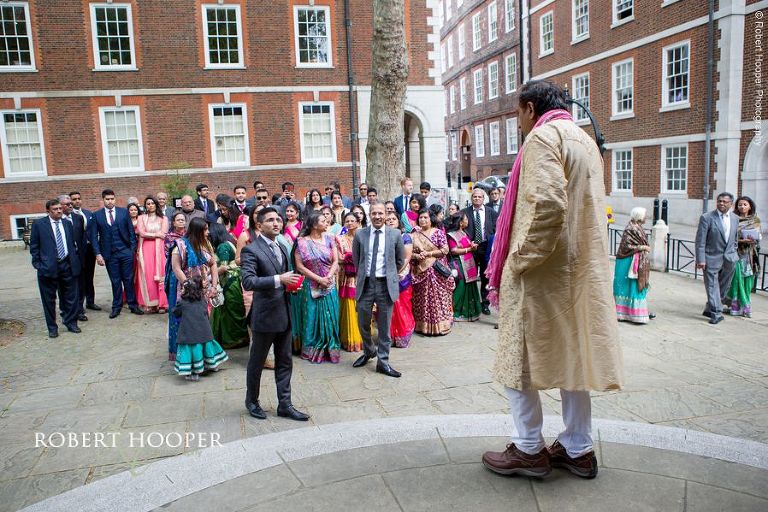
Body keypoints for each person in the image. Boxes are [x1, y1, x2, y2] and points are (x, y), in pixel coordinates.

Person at [482, 80, 622, 479]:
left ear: (529, 108)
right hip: (578, 272)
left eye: (517, 114)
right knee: (572, 358)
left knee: (516, 359)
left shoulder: (542, 137)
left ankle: (528, 447)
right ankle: (578, 448)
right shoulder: (582, 138)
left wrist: (520, 260)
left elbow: (547, 204)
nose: (519, 123)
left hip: (542, 275)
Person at [241, 207, 310, 421]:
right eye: (270, 220)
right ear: (259, 225)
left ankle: (285, 404)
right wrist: (280, 280)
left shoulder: (282, 246)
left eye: (278, 220)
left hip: (285, 313)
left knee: (285, 361)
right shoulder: (251, 250)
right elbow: (248, 281)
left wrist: (292, 286)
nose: (276, 223)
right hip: (264, 316)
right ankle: (252, 401)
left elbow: (287, 276)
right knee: (257, 362)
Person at [351, 202, 405, 376]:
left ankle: (383, 361)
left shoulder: (395, 234)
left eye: (380, 213)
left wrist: (389, 274)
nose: (377, 216)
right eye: (374, 213)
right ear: (369, 215)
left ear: (386, 214)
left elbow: (399, 260)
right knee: (362, 323)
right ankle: (369, 351)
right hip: (366, 284)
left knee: (384, 325)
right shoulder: (360, 234)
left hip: (385, 284)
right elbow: (357, 259)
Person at [167, 217, 219, 361]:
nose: (208, 232)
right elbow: (176, 268)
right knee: (187, 324)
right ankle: (186, 358)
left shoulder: (205, 244)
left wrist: (213, 286)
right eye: (205, 230)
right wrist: (189, 285)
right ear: (197, 231)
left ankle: (203, 355)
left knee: (203, 322)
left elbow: (213, 264)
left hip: (202, 290)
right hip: (186, 291)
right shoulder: (180, 246)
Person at [294, 211, 341, 363]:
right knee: (312, 317)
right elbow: (299, 266)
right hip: (311, 285)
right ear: (314, 224)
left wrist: (328, 278)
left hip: (329, 284)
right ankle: (311, 349)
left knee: (331, 316)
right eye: (323, 220)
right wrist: (319, 279)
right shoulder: (301, 242)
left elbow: (335, 261)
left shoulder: (330, 239)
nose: (327, 222)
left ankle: (331, 349)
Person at [31, 199, 83, 338]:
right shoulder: (39, 225)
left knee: (71, 297)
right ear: (48, 211)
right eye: (55, 209)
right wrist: (39, 265)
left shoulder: (67, 223)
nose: (59, 211)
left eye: (60, 208)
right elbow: (34, 247)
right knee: (49, 299)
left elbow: (72, 243)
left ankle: (71, 322)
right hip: (48, 268)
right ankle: (52, 327)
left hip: (68, 265)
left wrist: (74, 260)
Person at [90, 189, 143, 319]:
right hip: (109, 254)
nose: (110, 201)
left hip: (125, 251)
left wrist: (132, 249)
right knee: (115, 281)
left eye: (112, 199)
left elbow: (131, 232)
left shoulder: (123, 212)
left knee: (128, 279)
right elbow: (93, 237)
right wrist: (98, 254)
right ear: (103, 200)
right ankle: (116, 306)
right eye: (107, 199)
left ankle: (133, 305)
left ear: (115, 199)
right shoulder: (97, 215)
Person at [695, 192, 740, 325]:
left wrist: (734, 253)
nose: (721, 203)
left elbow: (734, 238)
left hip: (729, 258)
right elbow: (700, 241)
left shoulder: (735, 218)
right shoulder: (707, 217)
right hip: (711, 257)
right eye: (719, 201)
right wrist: (701, 259)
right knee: (712, 285)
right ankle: (716, 312)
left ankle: (710, 307)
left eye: (725, 202)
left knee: (723, 286)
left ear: (731, 204)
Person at [173, 275, 228, 381]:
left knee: (192, 352)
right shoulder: (203, 301)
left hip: (189, 334)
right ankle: (212, 365)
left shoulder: (182, 303)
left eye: (183, 289)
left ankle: (194, 372)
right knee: (207, 349)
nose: (181, 290)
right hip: (204, 333)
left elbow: (176, 313)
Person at [410, 209, 455, 336]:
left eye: (425, 217)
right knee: (422, 299)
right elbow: (408, 252)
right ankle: (423, 327)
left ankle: (441, 326)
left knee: (439, 298)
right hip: (420, 271)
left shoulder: (438, 233)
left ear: (431, 219)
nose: (422, 220)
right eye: (421, 218)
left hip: (436, 271)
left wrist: (429, 253)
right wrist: (416, 256)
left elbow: (445, 250)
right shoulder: (414, 235)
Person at [209, 223, 249, 349]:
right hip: (237, 280)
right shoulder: (231, 240)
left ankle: (232, 340)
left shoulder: (222, 247)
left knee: (229, 313)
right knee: (237, 310)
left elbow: (223, 267)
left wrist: (210, 274)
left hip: (229, 283)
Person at [613, 207, 651, 324]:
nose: (646, 217)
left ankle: (636, 313)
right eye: (645, 215)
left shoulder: (636, 227)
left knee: (633, 286)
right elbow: (626, 246)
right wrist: (642, 247)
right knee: (629, 286)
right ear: (639, 216)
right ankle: (627, 314)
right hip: (628, 261)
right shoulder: (631, 228)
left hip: (634, 260)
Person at [463, 188, 498, 315]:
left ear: (484, 199)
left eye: (479, 197)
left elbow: (496, 230)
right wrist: (468, 242)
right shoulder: (464, 212)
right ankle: (471, 303)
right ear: (471, 198)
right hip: (470, 248)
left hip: (486, 247)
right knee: (470, 276)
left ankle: (485, 303)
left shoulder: (491, 213)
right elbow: (460, 229)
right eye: (474, 197)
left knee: (485, 277)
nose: (477, 199)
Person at [727, 196, 761, 318]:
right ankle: (736, 305)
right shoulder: (732, 219)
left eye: (745, 204)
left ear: (750, 206)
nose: (742, 206)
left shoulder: (755, 220)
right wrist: (741, 240)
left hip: (749, 255)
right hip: (735, 253)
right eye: (740, 204)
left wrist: (752, 240)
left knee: (747, 280)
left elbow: (758, 237)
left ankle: (745, 305)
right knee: (736, 278)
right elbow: (728, 235)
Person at [385, 211, 415, 348]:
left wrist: (395, 273)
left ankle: (402, 336)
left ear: (398, 222)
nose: (391, 221)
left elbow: (406, 258)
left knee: (402, 306)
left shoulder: (405, 237)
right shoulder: (382, 237)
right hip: (385, 276)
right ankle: (390, 336)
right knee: (388, 308)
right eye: (388, 219)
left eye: (393, 219)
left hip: (401, 277)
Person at [135, 196, 169, 314]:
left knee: (160, 275)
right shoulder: (141, 218)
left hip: (159, 249)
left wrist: (151, 234)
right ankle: (150, 304)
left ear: (156, 205)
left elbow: (164, 234)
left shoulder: (163, 218)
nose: (150, 205)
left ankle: (162, 304)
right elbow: (141, 233)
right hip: (145, 249)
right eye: (148, 204)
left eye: (152, 203)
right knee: (147, 275)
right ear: (145, 206)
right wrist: (156, 234)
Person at [58, 194, 88, 322]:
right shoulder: (58, 220)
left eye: (71, 203)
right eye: (67, 204)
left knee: (80, 286)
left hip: (78, 258)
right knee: (64, 287)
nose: (71, 205)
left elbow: (81, 239)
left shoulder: (78, 218)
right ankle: (65, 310)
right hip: (63, 259)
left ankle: (79, 310)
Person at [336, 212, 363, 352]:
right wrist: (349, 259)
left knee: (362, 306)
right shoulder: (339, 239)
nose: (350, 223)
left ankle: (361, 337)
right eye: (347, 221)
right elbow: (337, 257)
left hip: (362, 276)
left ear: (358, 222)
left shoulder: (364, 238)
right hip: (346, 277)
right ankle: (349, 339)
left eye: (353, 221)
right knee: (348, 305)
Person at [447, 212, 482, 322]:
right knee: (461, 287)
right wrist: (469, 249)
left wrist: (472, 246)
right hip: (459, 264)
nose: (468, 221)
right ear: (461, 222)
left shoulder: (464, 232)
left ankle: (468, 313)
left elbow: (466, 245)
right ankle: (455, 312)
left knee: (470, 286)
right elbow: (454, 250)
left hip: (468, 263)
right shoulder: (452, 235)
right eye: (466, 219)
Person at [70, 191, 100, 312]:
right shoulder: (69, 215)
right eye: (74, 199)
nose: (77, 201)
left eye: (78, 198)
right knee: (80, 278)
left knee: (89, 276)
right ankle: (79, 304)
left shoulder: (88, 213)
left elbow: (93, 232)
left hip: (89, 249)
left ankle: (91, 301)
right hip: (78, 251)